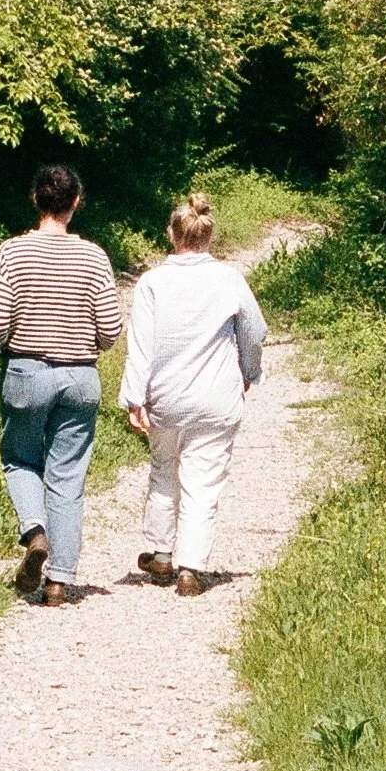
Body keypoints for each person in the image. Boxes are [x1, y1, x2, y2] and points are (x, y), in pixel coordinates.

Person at [0, 162, 123, 606]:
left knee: (19, 459)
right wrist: (89, 346)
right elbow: (111, 326)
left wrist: (0, 347)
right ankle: (59, 582)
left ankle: (35, 532)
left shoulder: (12, 252)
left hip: (27, 371)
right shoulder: (94, 256)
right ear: (75, 203)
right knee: (68, 477)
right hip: (80, 376)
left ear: (35, 199)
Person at [119, 192, 267, 595]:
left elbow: (141, 345)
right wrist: (248, 372)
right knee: (204, 479)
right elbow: (255, 332)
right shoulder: (229, 278)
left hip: (166, 396)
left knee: (164, 467)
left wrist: (134, 396)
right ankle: (191, 567)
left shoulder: (153, 282)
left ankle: (161, 552)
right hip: (218, 396)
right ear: (210, 236)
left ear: (171, 234)